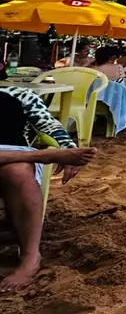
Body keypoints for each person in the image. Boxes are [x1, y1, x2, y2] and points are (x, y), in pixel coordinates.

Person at [0, 87, 97, 291]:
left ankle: (30, 257)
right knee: (22, 164)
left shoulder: (18, 93)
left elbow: (48, 125)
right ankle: (39, 156)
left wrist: (68, 146)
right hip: (21, 156)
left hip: (12, 153)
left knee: (18, 172)